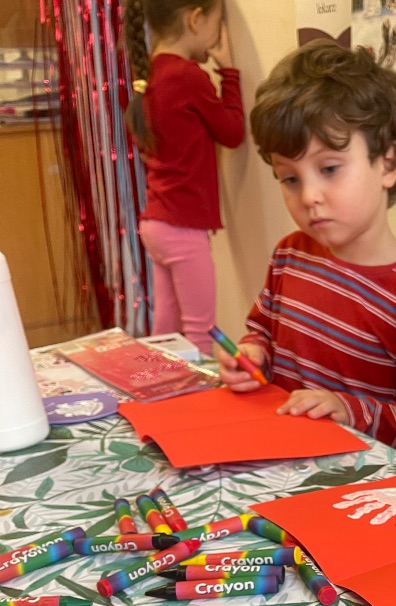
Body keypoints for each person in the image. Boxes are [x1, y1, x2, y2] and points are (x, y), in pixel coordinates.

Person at [217, 41, 396, 455]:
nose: (309, 196)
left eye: (328, 169)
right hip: (277, 457)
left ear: (388, 164)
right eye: (290, 178)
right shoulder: (290, 256)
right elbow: (262, 332)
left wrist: (349, 410)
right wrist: (251, 355)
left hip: (355, 476)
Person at [123, 0, 245, 353]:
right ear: (195, 19)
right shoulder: (188, 76)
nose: (218, 38)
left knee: (166, 327)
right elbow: (232, 132)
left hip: (157, 224)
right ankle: (197, 389)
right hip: (182, 228)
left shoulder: (153, 74)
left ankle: (161, 381)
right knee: (200, 331)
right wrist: (230, 73)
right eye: (217, 25)